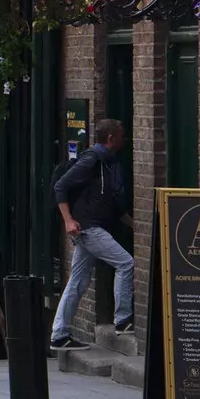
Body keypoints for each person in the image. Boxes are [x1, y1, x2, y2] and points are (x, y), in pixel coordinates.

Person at [51, 119, 134, 350]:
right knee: (126, 263)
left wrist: (134, 226)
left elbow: (113, 206)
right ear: (110, 138)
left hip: (92, 226)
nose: (124, 140)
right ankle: (123, 320)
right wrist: (68, 221)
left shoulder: (109, 164)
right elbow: (60, 186)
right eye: (121, 136)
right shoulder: (92, 159)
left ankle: (59, 334)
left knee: (77, 281)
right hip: (87, 228)